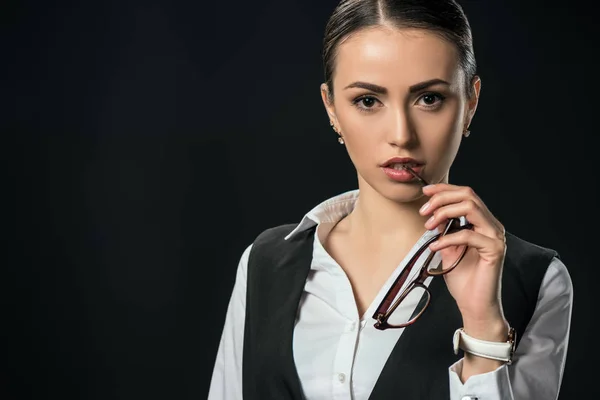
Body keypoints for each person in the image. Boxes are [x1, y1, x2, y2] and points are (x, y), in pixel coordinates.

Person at [207, 0, 573, 399]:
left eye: (429, 98)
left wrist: (484, 329)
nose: (401, 134)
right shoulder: (265, 262)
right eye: (368, 101)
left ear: (470, 103)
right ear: (331, 108)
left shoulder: (536, 281)